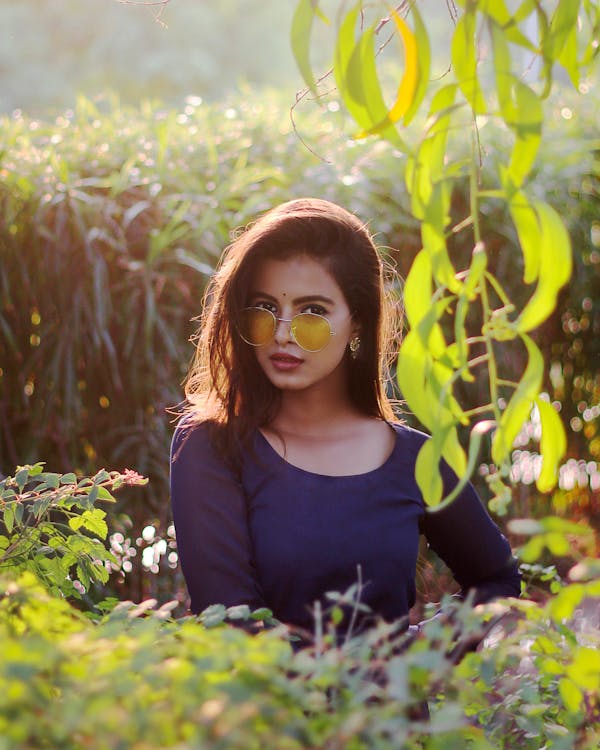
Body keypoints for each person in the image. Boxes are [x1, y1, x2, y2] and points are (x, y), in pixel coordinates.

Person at [170, 198, 521, 643]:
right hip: (262, 709)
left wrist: (420, 652)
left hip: (389, 713)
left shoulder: (415, 458)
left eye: (312, 311)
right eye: (263, 307)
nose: (281, 332)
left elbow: (498, 581)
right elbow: (232, 626)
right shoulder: (212, 444)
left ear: (357, 321)